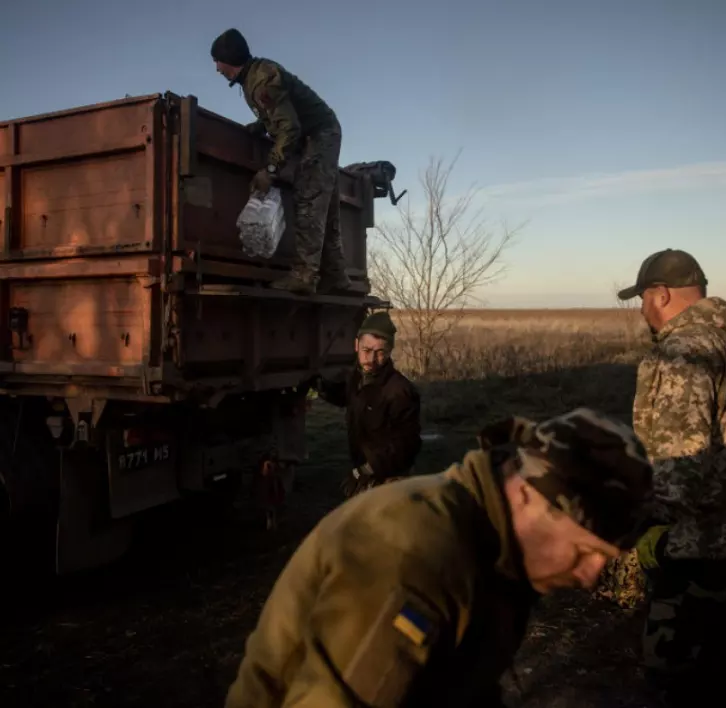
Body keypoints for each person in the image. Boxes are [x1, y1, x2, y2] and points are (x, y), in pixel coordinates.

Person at [224, 407, 657, 707]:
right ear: (525, 494)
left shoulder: (495, 547)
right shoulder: (412, 555)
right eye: (585, 550)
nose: (592, 575)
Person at [618, 249, 726, 707]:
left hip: (699, 542)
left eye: (641, 298)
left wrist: (652, 528)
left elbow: (678, 463)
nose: (641, 309)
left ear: (661, 295)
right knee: (709, 654)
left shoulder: (679, 356)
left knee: (672, 670)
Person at [210, 28, 351, 295]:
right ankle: (336, 277)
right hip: (321, 131)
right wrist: (261, 125)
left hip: (318, 135)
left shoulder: (261, 80)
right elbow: (280, 113)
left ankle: (304, 276)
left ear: (229, 59)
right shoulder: (255, 76)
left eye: (218, 62)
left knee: (309, 200)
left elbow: (290, 129)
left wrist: (271, 169)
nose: (217, 68)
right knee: (326, 210)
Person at [312, 310, 422, 496]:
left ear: (389, 352)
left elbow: (407, 445)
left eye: (380, 353)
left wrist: (364, 471)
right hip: (364, 472)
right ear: (356, 345)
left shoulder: (399, 391)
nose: (372, 360)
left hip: (389, 480)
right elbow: (347, 398)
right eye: (367, 350)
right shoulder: (357, 378)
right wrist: (319, 386)